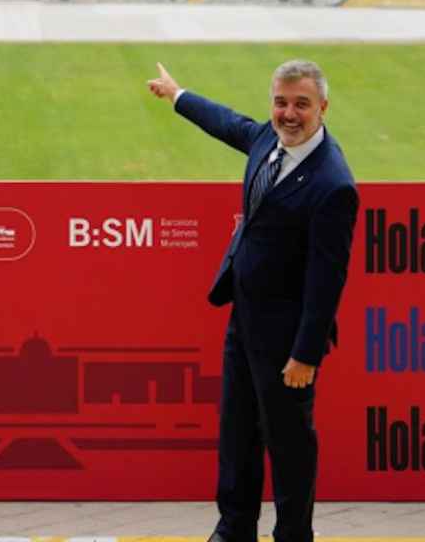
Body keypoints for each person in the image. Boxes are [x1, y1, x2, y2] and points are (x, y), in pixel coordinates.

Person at [147, 59, 358, 542]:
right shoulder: (268, 139)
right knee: (237, 434)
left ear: (323, 108)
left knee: (288, 446)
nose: (288, 113)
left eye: (301, 104)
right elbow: (230, 125)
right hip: (245, 319)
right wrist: (179, 95)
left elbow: (328, 279)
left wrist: (305, 354)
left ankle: (293, 535)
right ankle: (234, 528)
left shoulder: (333, 185)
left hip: (286, 340)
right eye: (281, 102)